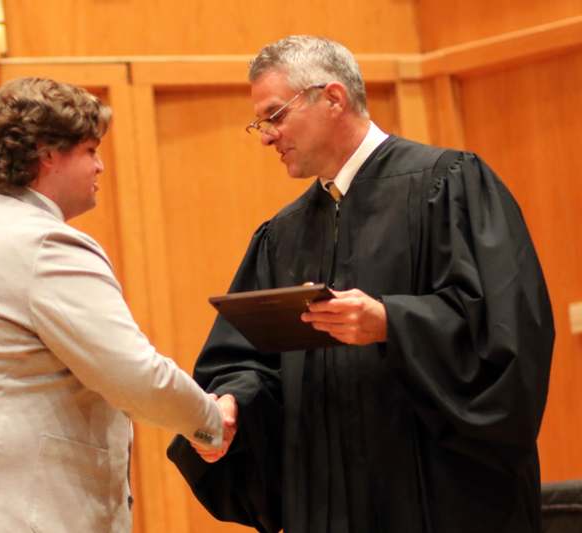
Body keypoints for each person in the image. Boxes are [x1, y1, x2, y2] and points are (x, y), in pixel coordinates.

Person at [167, 36, 555, 533]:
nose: (266, 136)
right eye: (261, 123)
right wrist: (233, 401)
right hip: (328, 504)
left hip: (440, 497)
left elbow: (508, 329)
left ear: (333, 97)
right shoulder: (282, 235)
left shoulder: (450, 184)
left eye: (275, 115)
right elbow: (248, 360)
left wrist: (393, 322)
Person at [0, 77, 231, 533]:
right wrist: (208, 421)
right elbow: (133, 374)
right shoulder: (42, 243)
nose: (100, 167)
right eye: (90, 150)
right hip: (9, 511)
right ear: (47, 153)